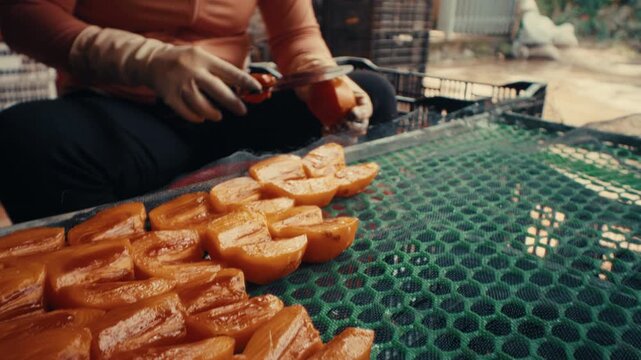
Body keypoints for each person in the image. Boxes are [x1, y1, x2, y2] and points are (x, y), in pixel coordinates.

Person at [0, 0, 397, 223]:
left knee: (373, 91)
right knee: (25, 140)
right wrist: (146, 60)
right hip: (122, 112)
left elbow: (296, 35)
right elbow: (22, 15)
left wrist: (321, 81)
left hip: (229, 105)